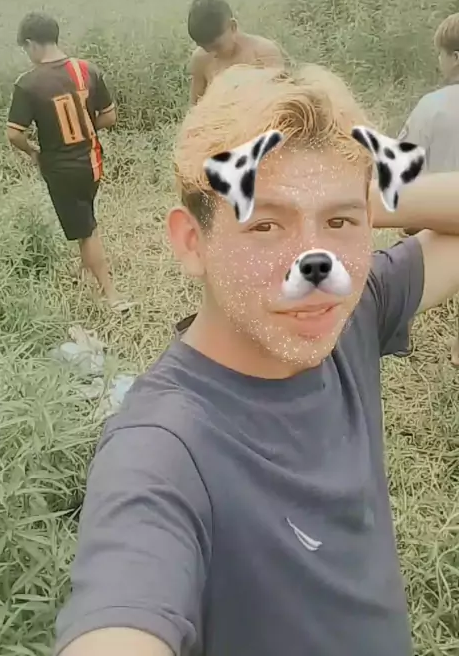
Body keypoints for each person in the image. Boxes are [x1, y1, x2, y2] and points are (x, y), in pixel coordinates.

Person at [54, 63, 459, 656]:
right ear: (192, 243)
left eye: (340, 223)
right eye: (267, 224)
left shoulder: (351, 315)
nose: (315, 265)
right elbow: (122, 611)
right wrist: (333, 199)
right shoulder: (164, 450)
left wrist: (353, 189)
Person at [6, 12, 129, 312]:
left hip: (60, 169)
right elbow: (110, 116)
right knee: (83, 217)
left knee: (87, 231)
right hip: (92, 162)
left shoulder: (28, 84)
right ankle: (86, 269)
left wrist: (33, 152)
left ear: (32, 44)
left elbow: (14, 134)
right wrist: (85, 127)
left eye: (26, 49)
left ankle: (111, 295)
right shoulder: (87, 70)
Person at [397, 11, 459, 363]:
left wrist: (410, 216)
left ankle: (399, 335)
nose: (439, 61)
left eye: (441, 54)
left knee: (407, 271)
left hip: (438, 216)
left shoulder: (433, 106)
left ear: (456, 58)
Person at [188, 0, 284, 104]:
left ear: (233, 27)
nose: (212, 53)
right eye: (204, 48)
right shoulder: (201, 59)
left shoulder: (263, 53)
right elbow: (195, 105)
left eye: (216, 46)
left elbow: (280, 101)